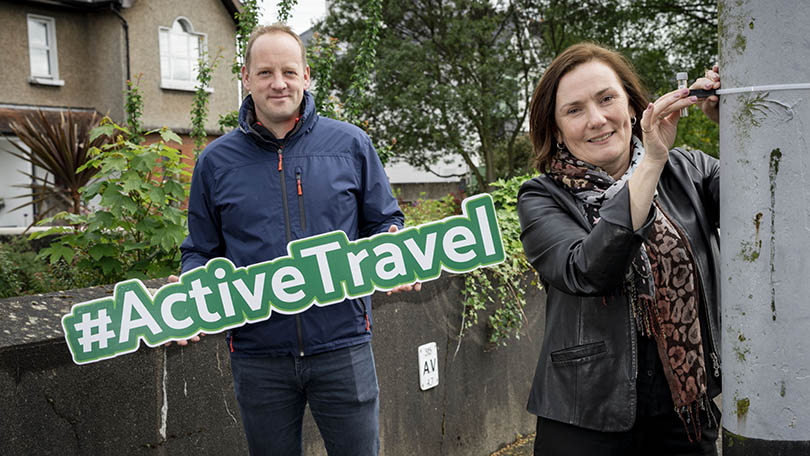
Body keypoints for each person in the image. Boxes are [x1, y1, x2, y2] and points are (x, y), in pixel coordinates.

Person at [177, 23, 417, 455]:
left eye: (289, 71)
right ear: (246, 79)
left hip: (343, 345)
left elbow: (384, 221)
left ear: (306, 76)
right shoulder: (214, 162)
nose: (278, 83)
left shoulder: (351, 144)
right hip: (257, 355)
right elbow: (200, 250)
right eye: (265, 72)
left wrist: (395, 250)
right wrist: (192, 294)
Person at [517, 42, 723, 455]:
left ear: (632, 105)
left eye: (606, 98)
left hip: (684, 412)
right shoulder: (541, 197)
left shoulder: (692, 170)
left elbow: (772, 211)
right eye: (574, 110)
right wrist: (649, 164)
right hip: (585, 415)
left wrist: (737, 126)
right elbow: (586, 270)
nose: (596, 119)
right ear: (556, 129)